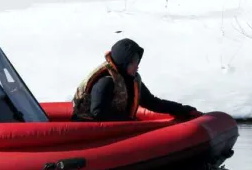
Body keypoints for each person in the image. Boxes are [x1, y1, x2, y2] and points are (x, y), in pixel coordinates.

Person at [72, 38, 202, 122]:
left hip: (120, 125)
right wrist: (128, 120)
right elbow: (98, 113)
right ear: (123, 63)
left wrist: (182, 109)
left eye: (138, 60)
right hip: (90, 127)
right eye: (133, 62)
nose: (137, 65)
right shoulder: (106, 81)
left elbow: (152, 102)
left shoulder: (132, 79)